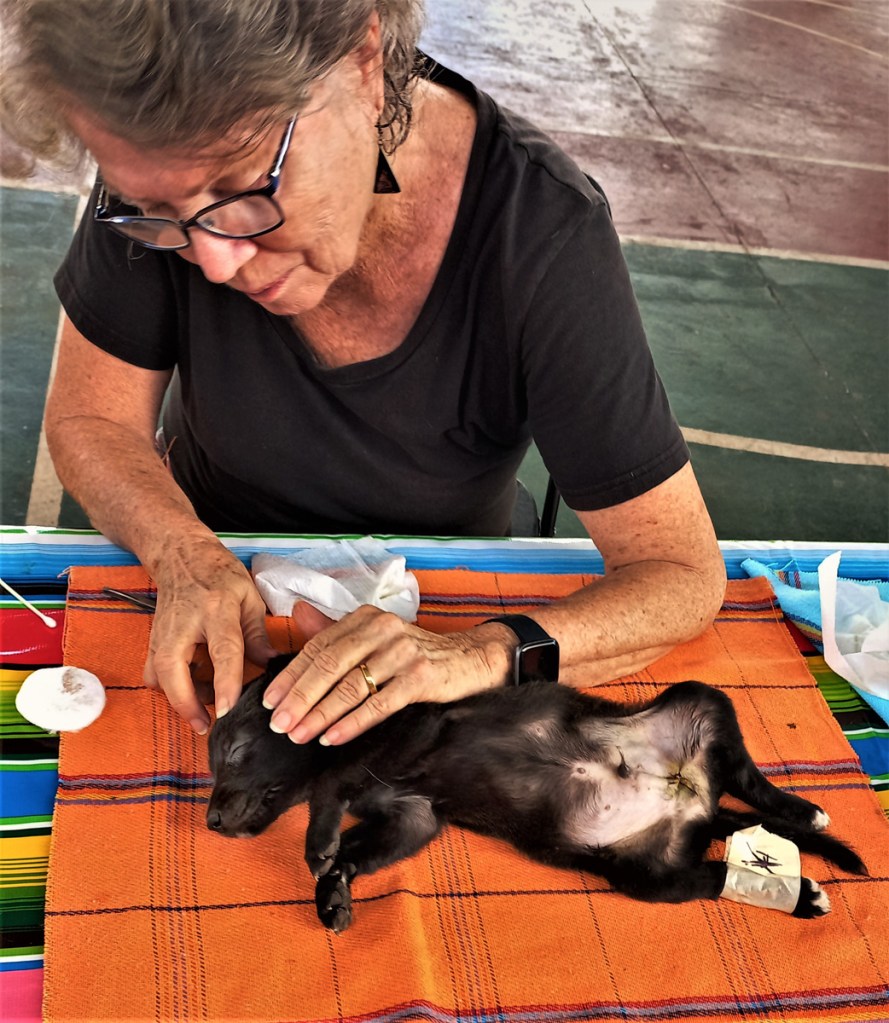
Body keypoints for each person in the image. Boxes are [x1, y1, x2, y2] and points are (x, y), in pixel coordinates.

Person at [1, 0, 726, 746]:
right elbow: (93, 419)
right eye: (157, 211)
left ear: (362, 61)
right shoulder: (163, 178)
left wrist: (477, 651)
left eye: (242, 187)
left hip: (443, 605)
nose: (212, 261)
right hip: (210, 576)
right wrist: (180, 548)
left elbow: (678, 573)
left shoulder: (539, 235)